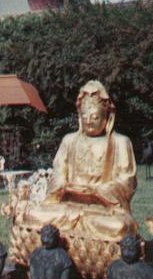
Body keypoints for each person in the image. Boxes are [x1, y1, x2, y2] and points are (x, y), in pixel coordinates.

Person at [24, 80, 138, 241]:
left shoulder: (120, 142)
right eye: (85, 116)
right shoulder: (69, 141)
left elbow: (127, 182)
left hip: (103, 211)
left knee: (120, 227)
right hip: (68, 207)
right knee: (33, 214)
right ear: (79, 116)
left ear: (107, 116)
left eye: (95, 117)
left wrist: (96, 190)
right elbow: (57, 174)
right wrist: (64, 184)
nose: (89, 121)